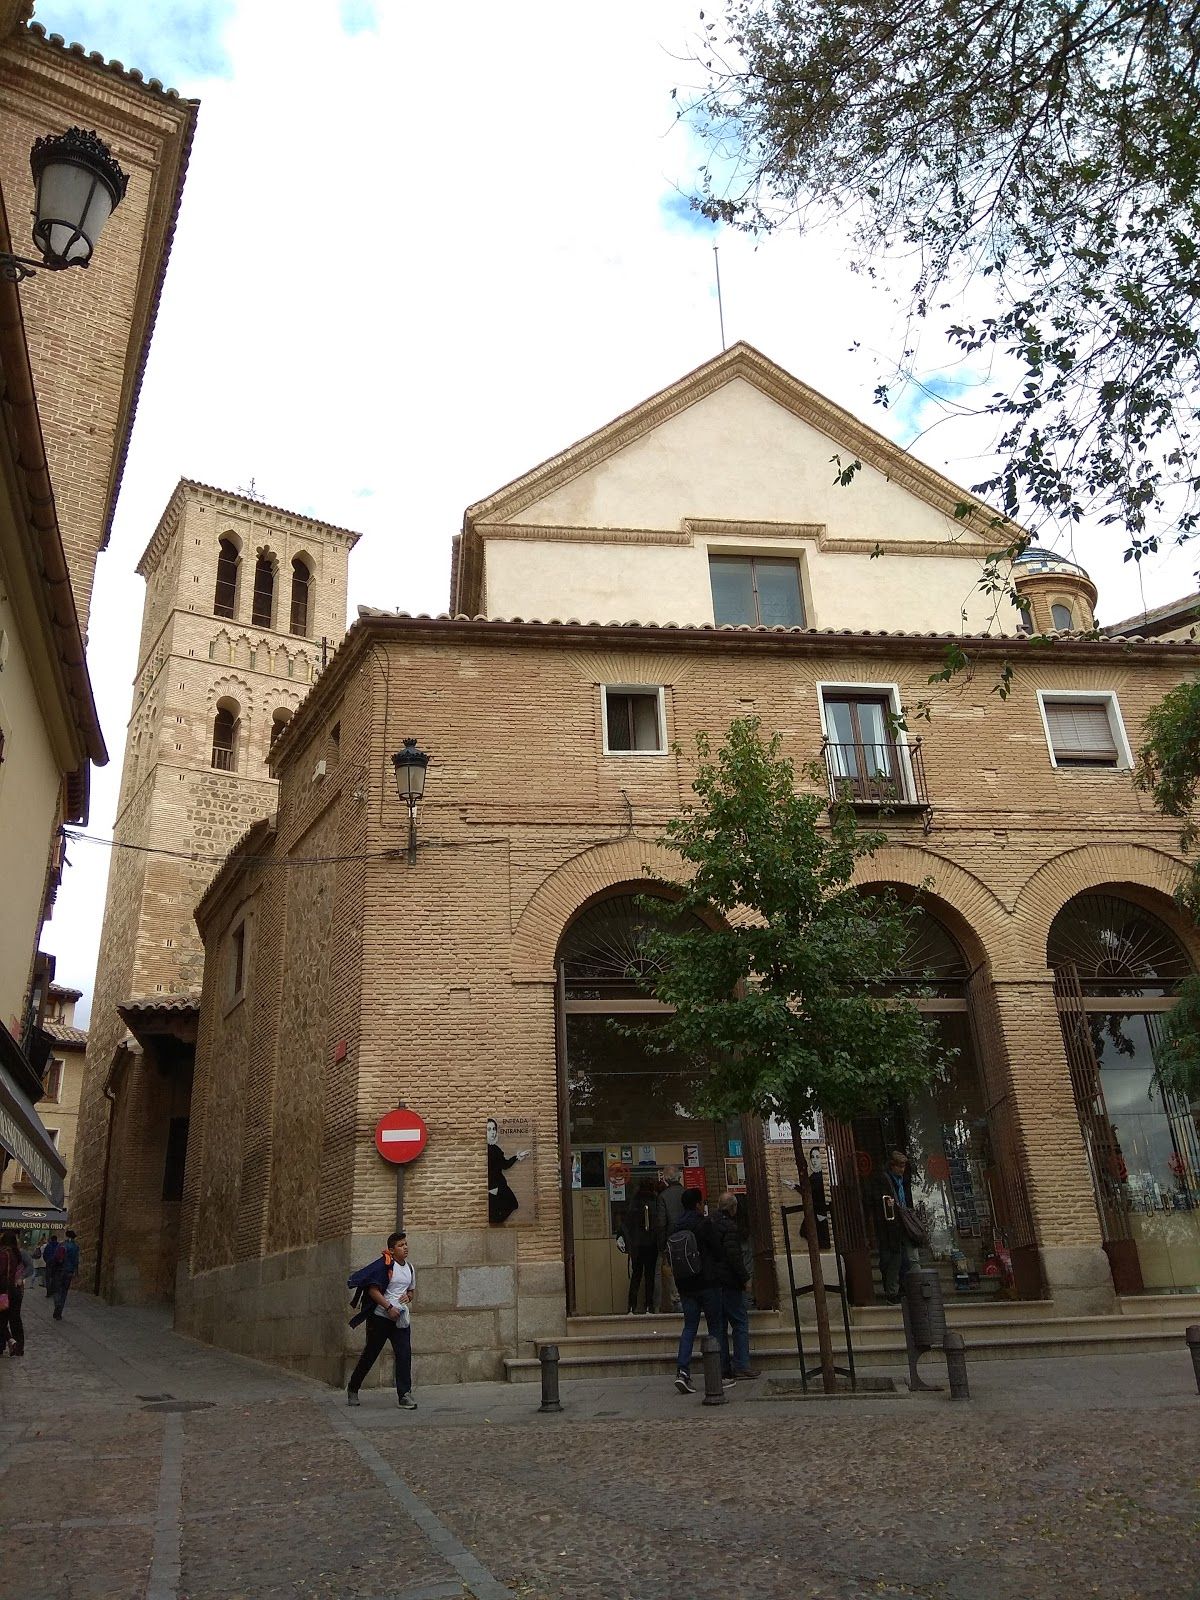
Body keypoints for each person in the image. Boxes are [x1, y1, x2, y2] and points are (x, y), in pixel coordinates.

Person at [347, 1230, 418, 1408]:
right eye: (400, 1245)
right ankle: (353, 1388)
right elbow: (373, 1290)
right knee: (370, 1354)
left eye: (406, 1244)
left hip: (400, 1318)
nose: (405, 1247)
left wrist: (408, 1297)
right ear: (392, 1250)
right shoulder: (384, 1266)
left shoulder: (410, 1268)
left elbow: (411, 1291)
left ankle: (404, 1394)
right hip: (380, 1317)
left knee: (404, 1354)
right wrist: (388, 1307)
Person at [667, 1188, 724, 1394]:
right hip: (707, 1282)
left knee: (689, 1327)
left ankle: (682, 1371)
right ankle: (718, 1373)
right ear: (698, 1204)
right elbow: (718, 1251)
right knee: (715, 1327)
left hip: (685, 1285)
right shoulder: (704, 1224)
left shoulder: (675, 1227)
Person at [710, 1191, 760, 1380]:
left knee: (719, 1326)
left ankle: (722, 1367)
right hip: (729, 1282)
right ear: (733, 1208)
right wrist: (745, 1278)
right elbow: (734, 1257)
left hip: (713, 1282)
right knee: (740, 1322)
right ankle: (741, 1364)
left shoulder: (709, 1224)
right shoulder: (730, 1227)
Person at [873, 1148, 921, 1304]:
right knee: (895, 1259)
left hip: (904, 1224)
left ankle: (913, 1288)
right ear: (892, 1166)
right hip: (892, 1226)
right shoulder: (886, 1181)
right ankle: (894, 1292)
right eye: (899, 1166)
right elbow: (884, 1205)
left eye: (904, 1166)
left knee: (910, 1258)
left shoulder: (902, 1181)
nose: (902, 1169)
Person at [620, 1177, 659, 1314]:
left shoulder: (634, 1202)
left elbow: (627, 1224)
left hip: (636, 1244)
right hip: (652, 1243)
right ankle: (649, 1305)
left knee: (636, 1275)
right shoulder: (656, 1201)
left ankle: (632, 1306)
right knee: (650, 1276)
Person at [486, 1118, 530, 1224]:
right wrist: (491, 1188)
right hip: (493, 1187)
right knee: (494, 1215)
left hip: (500, 1185)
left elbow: (504, 1165)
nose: (492, 1132)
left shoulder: (496, 1149)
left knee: (512, 1204)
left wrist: (517, 1156)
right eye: (489, 1129)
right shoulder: (484, 1149)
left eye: (494, 1129)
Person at [655, 1166, 686, 1311]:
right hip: (687, 1237)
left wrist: (661, 1244)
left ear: (665, 1179)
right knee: (687, 1266)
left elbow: (661, 1223)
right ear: (679, 1177)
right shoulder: (686, 1193)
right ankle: (688, 1297)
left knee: (671, 1270)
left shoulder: (663, 1197)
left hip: (671, 1238)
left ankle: (677, 1300)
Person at [0, 1230, 28, 1357]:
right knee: (15, 1320)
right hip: (15, 1291)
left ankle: (9, 1341)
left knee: (2, 1320)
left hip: (4, 1291)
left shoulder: (3, 1254)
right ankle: (19, 1347)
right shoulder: (17, 1254)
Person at [52, 1230, 80, 1320]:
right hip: (69, 1271)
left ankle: (57, 1304)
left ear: (66, 1236)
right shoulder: (76, 1247)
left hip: (60, 1270)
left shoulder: (62, 1245)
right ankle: (59, 1311)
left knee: (57, 1290)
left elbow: (55, 1257)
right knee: (64, 1291)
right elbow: (76, 1260)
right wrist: (76, 1272)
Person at [42, 1232, 58, 1299]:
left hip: (49, 1264)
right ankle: (53, 1291)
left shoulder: (48, 1246)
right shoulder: (59, 1246)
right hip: (56, 1264)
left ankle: (48, 1292)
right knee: (54, 1278)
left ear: (51, 1239)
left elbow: (44, 1255)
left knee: (48, 1279)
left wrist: (47, 1261)